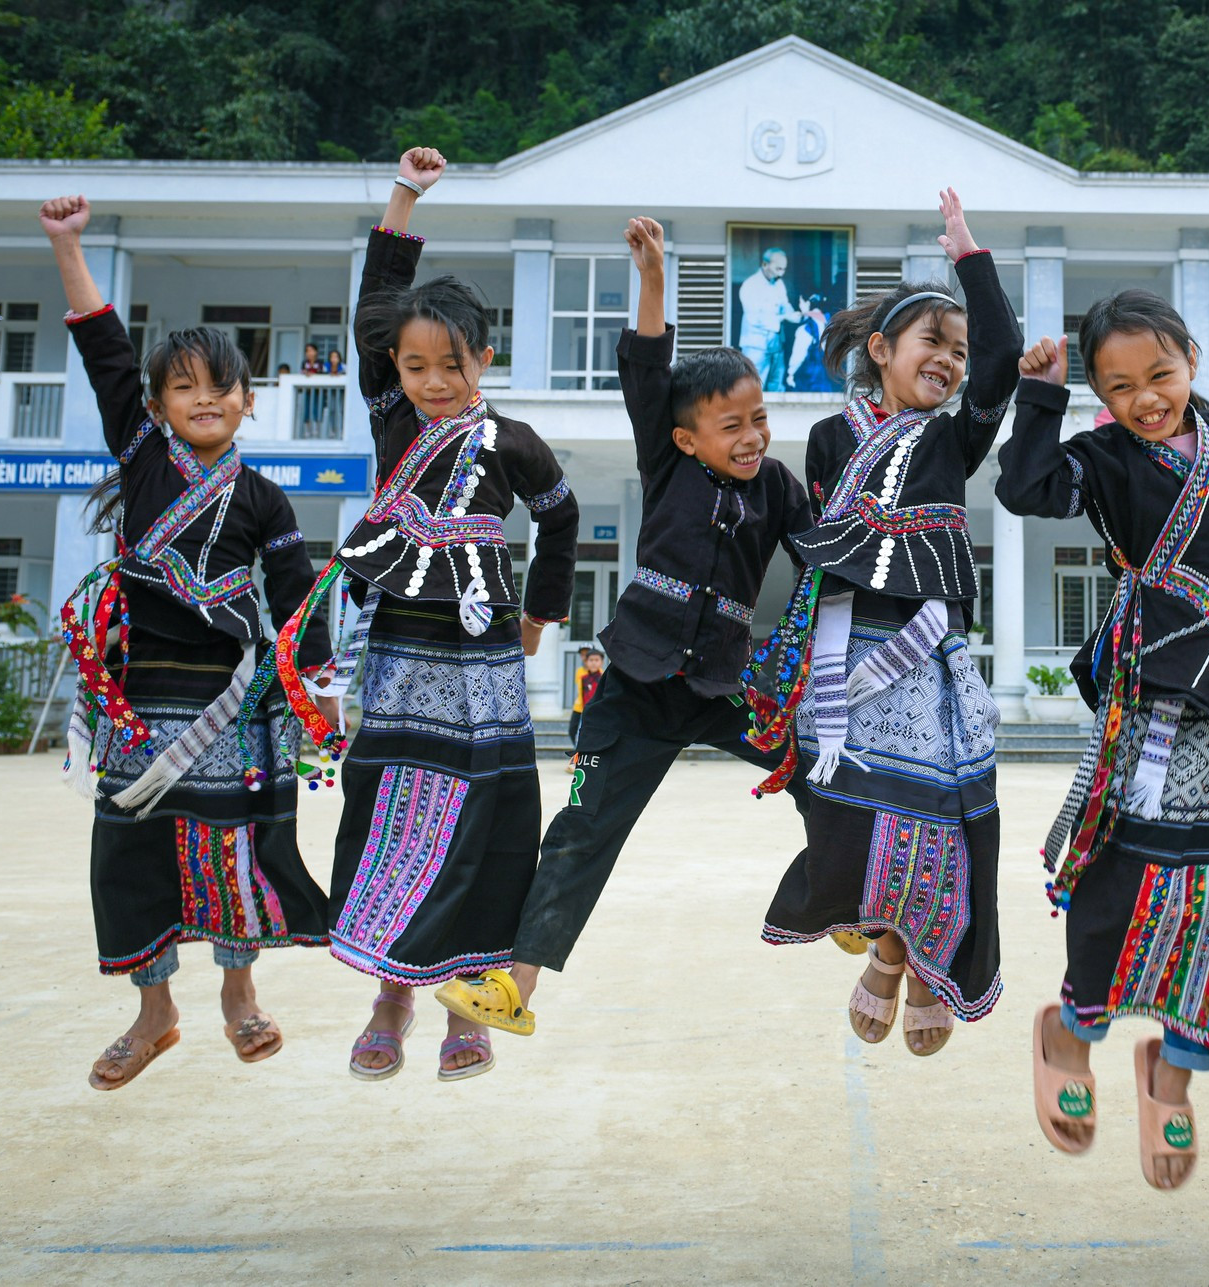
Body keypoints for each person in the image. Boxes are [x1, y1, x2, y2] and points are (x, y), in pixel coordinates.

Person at [434, 215, 815, 1036]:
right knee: (581, 831)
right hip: (634, 686)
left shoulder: (777, 487)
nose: (751, 437)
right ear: (687, 438)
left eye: (759, 419)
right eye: (731, 426)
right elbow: (646, 368)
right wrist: (653, 278)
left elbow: (824, 559)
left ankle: (848, 895)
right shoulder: (665, 460)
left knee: (822, 767)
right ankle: (513, 987)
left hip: (725, 687)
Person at [996, 294, 1209, 1192]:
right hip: (1159, 679)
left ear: (1191, 356)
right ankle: (1073, 1029)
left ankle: (1173, 1071)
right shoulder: (1100, 458)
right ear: (1097, 393)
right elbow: (1025, 490)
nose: (1145, 399)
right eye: (1118, 387)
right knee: (1130, 865)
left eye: (1160, 375)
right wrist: (1039, 398)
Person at [274, 148, 578, 1083]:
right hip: (402, 645)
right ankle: (390, 993)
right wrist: (405, 198)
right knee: (388, 795)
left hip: (486, 657)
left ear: (484, 357)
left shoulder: (513, 441)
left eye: (451, 363)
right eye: (414, 365)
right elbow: (381, 294)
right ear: (394, 367)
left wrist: (542, 613)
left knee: (490, 807)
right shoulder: (390, 417)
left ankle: (468, 997)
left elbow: (562, 514)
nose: (433, 380)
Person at [40, 193, 333, 1091]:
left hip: (230, 705)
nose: (203, 399)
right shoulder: (142, 457)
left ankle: (239, 996)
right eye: (183, 388)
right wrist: (68, 245)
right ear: (160, 406)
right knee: (133, 854)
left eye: (220, 387)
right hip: (136, 703)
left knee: (231, 850)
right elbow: (101, 344)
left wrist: (317, 683)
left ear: (248, 401)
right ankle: (152, 1009)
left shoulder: (265, 500)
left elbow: (293, 597)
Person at [747, 188, 1016, 1057]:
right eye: (932, 341)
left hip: (927, 649)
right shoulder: (831, 435)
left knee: (939, 811)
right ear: (881, 352)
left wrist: (968, 257)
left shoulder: (953, 439)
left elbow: (1004, 360)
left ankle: (899, 958)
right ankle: (875, 929)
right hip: (845, 649)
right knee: (848, 811)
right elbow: (823, 544)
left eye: (958, 350)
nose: (949, 359)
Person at [737, 247, 801, 391]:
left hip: (776, 346)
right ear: (765, 264)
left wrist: (793, 314)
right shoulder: (750, 285)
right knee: (753, 389)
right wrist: (784, 317)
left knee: (777, 386)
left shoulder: (778, 283)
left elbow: (785, 304)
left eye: (784, 269)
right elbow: (755, 318)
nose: (782, 273)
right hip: (756, 347)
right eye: (778, 269)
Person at [565, 645, 595, 763]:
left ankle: (580, 757)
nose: (584, 657)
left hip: (591, 708)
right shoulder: (580, 671)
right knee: (573, 730)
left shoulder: (600, 673)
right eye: (583, 655)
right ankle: (578, 753)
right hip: (579, 706)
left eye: (587, 654)